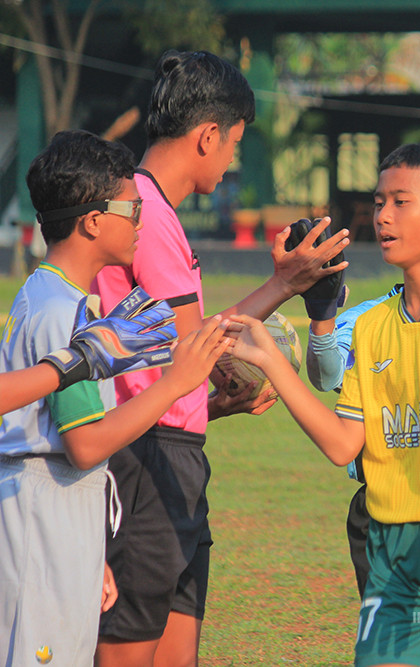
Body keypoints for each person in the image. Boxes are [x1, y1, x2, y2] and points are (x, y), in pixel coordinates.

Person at [226, 142, 420, 666]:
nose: (383, 216)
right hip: (395, 545)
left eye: (401, 202)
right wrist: (274, 365)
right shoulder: (373, 327)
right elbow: (342, 445)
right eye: (378, 203)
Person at [93, 50, 349, 667]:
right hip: (145, 466)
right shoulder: (147, 216)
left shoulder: (153, 211)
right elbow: (192, 347)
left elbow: (168, 355)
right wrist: (286, 288)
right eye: (234, 143)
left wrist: (211, 403)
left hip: (172, 457)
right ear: (208, 135)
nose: (233, 157)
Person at [0, 129, 231, 667]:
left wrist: (92, 553)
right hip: (45, 514)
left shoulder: (57, 295)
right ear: (93, 220)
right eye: (132, 207)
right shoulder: (63, 312)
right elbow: (84, 446)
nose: (141, 219)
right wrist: (176, 381)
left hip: (64, 512)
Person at [306, 178, 420, 601]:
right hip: (384, 504)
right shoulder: (371, 319)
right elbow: (327, 375)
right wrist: (322, 318)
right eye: (382, 205)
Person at [0, 288, 178, 416]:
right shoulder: (62, 308)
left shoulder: (46, 291)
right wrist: (173, 386)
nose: (137, 233)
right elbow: (86, 449)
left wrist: (82, 359)